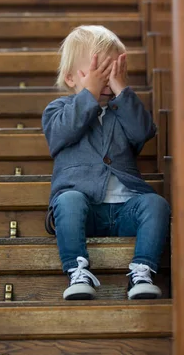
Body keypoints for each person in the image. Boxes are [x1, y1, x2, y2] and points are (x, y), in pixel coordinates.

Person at [42, 25, 170, 300]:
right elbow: (61, 134)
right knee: (67, 201)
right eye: (97, 74)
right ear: (70, 77)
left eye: (111, 74)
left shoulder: (121, 111)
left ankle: (142, 271)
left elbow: (142, 131)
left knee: (156, 203)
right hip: (83, 211)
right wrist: (89, 95)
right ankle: (77, 272)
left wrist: (122, 90)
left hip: (126, 208)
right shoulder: (58, 110)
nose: (104, 83)